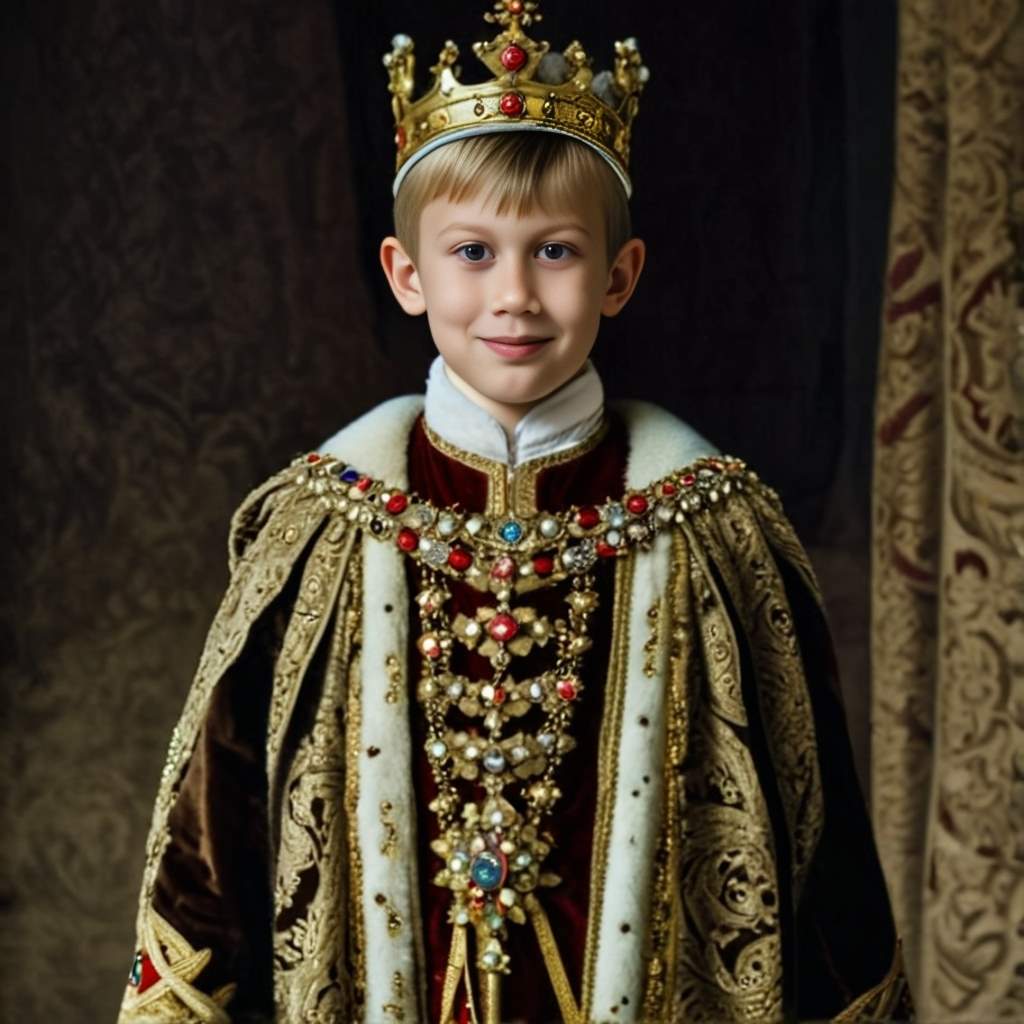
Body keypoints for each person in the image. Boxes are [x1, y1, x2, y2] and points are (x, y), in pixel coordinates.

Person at [118, 3, 911, 1022]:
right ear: (408, 275)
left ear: (619, 275)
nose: (515, 299)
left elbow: (823, 858)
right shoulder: (319, 530)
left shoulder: (716, 531)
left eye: (555, 252)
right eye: (474, 252)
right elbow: (208, 856)